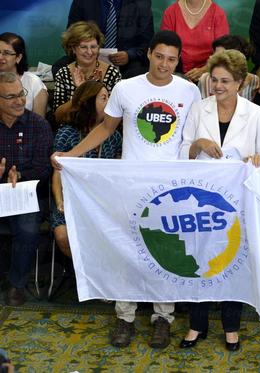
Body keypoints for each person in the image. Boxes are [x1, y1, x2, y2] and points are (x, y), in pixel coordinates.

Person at [51, 30, 201, 349]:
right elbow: (106, 128)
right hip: (130, 185)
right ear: (148, 53)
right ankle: (125, 316)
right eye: (159, 56)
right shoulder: (126, 88)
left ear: (178, 60)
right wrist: (71, 155)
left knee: (168, 251)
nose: (164, 64)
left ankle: (163, 317)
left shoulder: (189, 91)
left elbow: (191, 139)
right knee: (127, 250)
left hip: (171, 189)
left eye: (172, 59)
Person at [179, 49, 260, 351]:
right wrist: (197, 145)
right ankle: (197, 324)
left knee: (233, 260)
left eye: (225, 81)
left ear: (240, 82)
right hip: (200, 199)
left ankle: (231, 326)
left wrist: (257, 158)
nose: (217, 86)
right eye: (214, 80)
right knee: (199, 259)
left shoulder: (255, 113)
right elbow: (181, 151)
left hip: (237, 201)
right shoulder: (198, 108)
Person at [51, 81, 122, 258]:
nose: (109, 102)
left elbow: (119, 172)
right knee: (62, 236)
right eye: (104, 98)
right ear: (90, 102)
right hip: (71, 198)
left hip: (103, 199)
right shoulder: (67, 133)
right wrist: (60, 202)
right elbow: (57, 174)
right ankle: (82, 274)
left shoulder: (114, 136)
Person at [0, 72, 53, 306]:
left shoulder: (38, 125)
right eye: (10, 96)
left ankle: (16, 284)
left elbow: (44, 169)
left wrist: (19, 174)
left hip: (27, 193)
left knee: (28, 228)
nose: (20, 101)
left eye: (21, 94)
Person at [66, 0, 154, 79]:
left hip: (128, 65)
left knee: (139, 72)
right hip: (88, 57)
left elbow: (148, 43)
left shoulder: (142, 3)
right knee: (59, 67)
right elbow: (71, 37)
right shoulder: (82, 2)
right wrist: (90, 51)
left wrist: (129, 55)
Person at [53, 21, 121, 112]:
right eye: (83, 47)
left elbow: (117, 113)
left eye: (93, 47)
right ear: (73, 48)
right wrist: (80, 93)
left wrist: (96, 90)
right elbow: (58, 116)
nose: (89, 52)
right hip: (72, 125)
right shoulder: (63, 74)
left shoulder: (113, 74)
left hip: (103, 124)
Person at [161, 0, 229, 82]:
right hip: (176, 72)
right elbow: (165, 47)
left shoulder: (218, 13)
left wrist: (204, 70)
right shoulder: (171, 12)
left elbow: (222, 51)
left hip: (209, 74)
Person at [197, 35, 259, 101]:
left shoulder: (255, 82)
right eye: (214, 54)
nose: (212, 58)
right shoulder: (205, 79)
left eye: (220, 56)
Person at [0, 33, 48, 117]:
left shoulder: (33, 82)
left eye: (6, 53)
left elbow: (39, 124)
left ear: (18, 57)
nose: (0, 57)